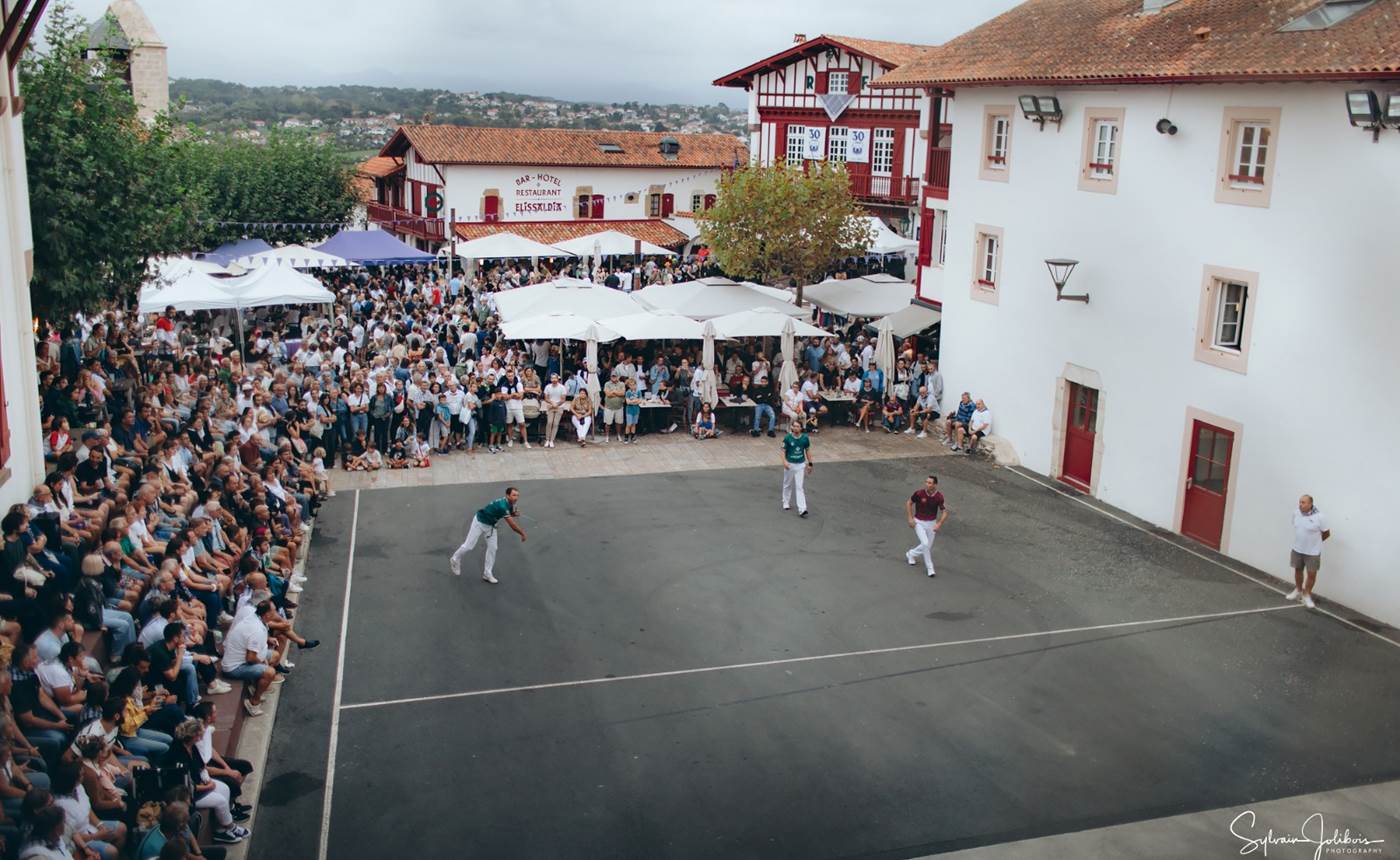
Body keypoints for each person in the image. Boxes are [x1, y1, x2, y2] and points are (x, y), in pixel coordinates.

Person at [448, 487, 527, 585]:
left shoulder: (510, 503)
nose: (516, 497)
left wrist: (514, 514)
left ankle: (487, 573)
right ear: (507, 495)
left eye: (517, 495)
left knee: (493, 548)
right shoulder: (503, 506)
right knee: (469, 546)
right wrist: (522, 533)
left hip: (491, 525)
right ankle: (454, 559)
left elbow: (508, 513)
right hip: (479, 522)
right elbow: (512, 525)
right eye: (514, 495)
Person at [1286, 494, 1330, 610]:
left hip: (1313, 552)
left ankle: (1307, 595)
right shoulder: (1296, 513)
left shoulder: (1320, 517)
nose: (1300, 504)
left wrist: (1314, 544)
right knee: (1298, 570)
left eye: (1303, 502)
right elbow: (1298, 528)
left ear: (1311, 504)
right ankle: (1298, 590)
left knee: (1311, 574)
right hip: (1297, 549)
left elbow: (1326, 533)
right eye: (1300, 502)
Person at [905, 475, 950, 577]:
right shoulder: (919, 493)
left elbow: (944, 512)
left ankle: (911, 554)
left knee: (927, 546)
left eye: (930, 483)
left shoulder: (939, 497)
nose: (927, 484)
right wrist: (910, 518)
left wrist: (939, 524)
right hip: (918, 522)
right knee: (925, 543)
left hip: (931, 523)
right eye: (926, 482)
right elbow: (909, 503)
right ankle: (930, 568)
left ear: (935, 485)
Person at [780, 420, 812, 518]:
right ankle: (786, 502)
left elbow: (808, 451)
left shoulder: (805, 438)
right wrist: (784, 462)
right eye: (794, 426)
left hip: (800, 465)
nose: (796, 428)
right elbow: (782, 451)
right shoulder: (787, 438)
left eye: (798, 426)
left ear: (801, 428)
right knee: (787, 484)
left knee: (799, 487)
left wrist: (810, 464)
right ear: (792, 428)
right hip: (790, 464)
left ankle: (802, 509)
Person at [542, 373, 567, 449]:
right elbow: (546, 398)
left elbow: (563, 399)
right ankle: (547, 439)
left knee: (555, 423)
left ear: (558, 379)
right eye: (552, 378)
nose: (554, 380)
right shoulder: (548, 387)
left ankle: (552, 440)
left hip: (559, 406)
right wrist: (552, 403)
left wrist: (557, 404)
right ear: (550, 379)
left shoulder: (562, 388)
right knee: (549, 422)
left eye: (555, 378)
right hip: (550, 406)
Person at [601, 373, 626, 444]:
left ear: (618, 377)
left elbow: (623, 393)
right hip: (609, 407)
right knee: (608, 423)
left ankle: (618, 435)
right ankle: (607, 436)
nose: (614, 378)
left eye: (615, 376)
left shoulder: (622, 384)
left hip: (619, 407)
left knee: (619, 422)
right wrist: (617, 392)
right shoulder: (607, 384)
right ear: (610, 377)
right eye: (612, 376)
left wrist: (613, 392)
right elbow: (608, 394)